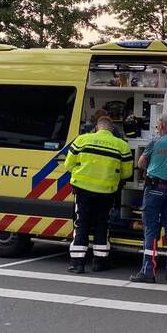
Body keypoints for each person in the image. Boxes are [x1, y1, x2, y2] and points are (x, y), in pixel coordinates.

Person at [64, 116, 133, 273]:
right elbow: (127, 172)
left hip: (82, 190)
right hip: (106, 192)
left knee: (81, 223)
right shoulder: (122, 146)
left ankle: (77, 264)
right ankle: (99, 262)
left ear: (96, 128)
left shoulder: (81, 140)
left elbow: (68, 165)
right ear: (112, 130)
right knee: (102, 224)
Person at [132, 113, 167, 284]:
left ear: (163, 126)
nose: (157, 128)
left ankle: (148, 272)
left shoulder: (156, 142)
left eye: (158, 126)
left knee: (151, 229)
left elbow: (141, 163)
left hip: (155, 189)